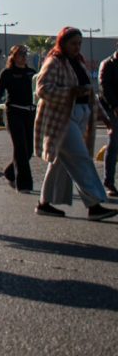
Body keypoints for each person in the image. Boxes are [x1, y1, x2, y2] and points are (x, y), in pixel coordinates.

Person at [33, 27, 117, 221]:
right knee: (81, 158)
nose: (77, 47)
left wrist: (103, 116)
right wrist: (70, 92)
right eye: (73, 43)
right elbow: (42, 89)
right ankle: (94, 205)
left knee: (60, 163)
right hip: (62, 118)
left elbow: (88, 91)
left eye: (79, 44)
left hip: (80, 115)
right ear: (63, 43)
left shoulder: (78, 62)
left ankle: (44, 203)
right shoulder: (54, 62)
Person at [0, 45, 37, 192]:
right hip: (14, 113)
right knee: (20, 147)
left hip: (29, 113)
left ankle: (9, 172)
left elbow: (38, 94)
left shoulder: (31, 73)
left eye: (25, 54)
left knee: (29, 150)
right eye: (20, 54)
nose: (23, 56)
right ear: (13, 56)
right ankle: (24, 185)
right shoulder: (7, 73)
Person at [95, 42, 118, 197]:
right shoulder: (107, 64)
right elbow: (104, 88)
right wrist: (115, 106)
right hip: (111, 108)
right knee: (114, 141)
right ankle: (109, 182)